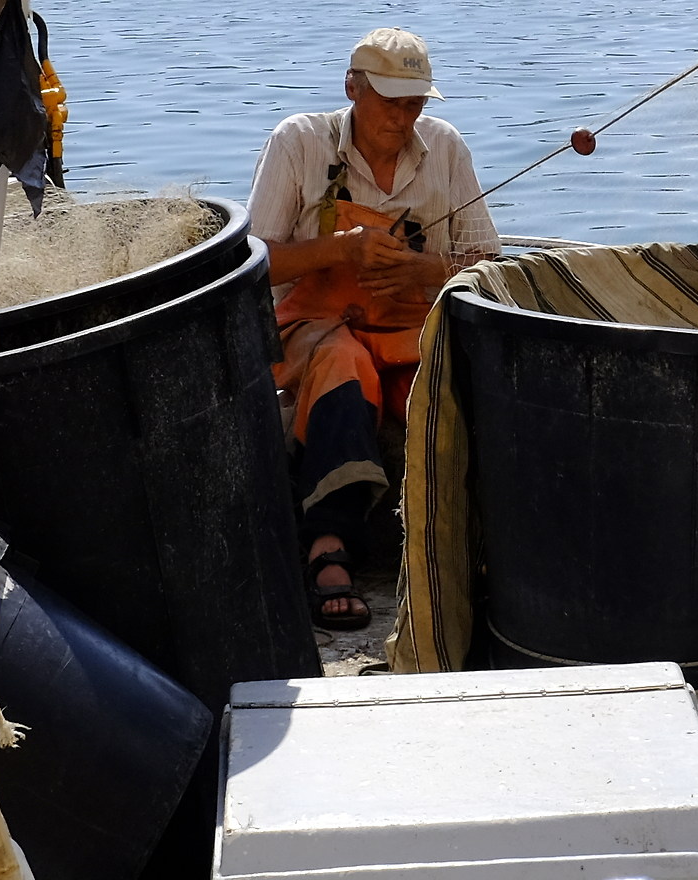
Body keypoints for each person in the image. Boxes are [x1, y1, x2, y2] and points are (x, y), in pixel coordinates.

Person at [248, 26, 500, 630]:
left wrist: (428, 271)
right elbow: (255, 264)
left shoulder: (445, 148)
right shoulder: (299, 141)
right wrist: (341, 250)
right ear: (352, 88)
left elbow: (489, 263)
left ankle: (466, 552)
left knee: (448, 394)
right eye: (390, 101)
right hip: (315, 327)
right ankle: (328, 547)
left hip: (408, 329)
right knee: (344, 365)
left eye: (414, 103)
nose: (402, 117)